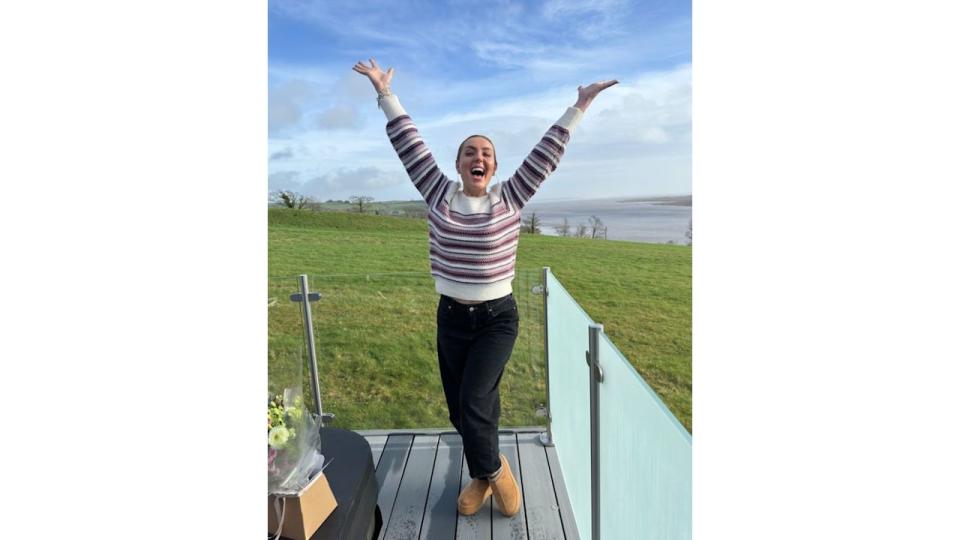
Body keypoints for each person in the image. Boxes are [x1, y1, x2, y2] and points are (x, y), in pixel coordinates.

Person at [353, 58, 616, 518]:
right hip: (451, 317)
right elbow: (408, 144)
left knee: (474, 402)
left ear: (494, 167)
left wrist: (580, 105)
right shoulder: (437, 193)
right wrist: (384, 92)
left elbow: (546, 153)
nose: (479, 157)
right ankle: (483, 473)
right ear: (457, 164)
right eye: (470, 152)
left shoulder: (511, 197)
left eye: (486, 154)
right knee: (463, 410)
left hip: (497, 319)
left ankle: (495, 474)